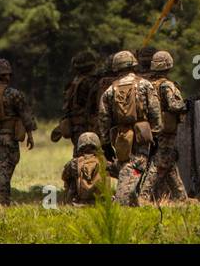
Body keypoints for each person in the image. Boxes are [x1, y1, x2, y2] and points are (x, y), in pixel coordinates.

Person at [97, 49, 161, 205]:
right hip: (143, 132)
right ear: (133, 64)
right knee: (137, 165)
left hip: (122, 135)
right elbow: (154, 110)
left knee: (127, 164)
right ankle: (122, 199)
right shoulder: (145, 85)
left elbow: (104, 118)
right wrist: (156, 134)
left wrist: (105, 143)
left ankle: (131, 198)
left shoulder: (109, 90)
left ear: (116, 68)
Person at [0, 58, 36, 204]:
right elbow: (26, 115)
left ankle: (2, 199)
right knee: (5, 171)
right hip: (7, 138)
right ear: (5, 75)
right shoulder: (13, 94)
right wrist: (30, 135)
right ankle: (2, 201)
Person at [140, 50, 188, 203]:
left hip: (152, 129)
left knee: (169, 162)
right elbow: (174, 105)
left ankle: (181, 197)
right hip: (166, 130)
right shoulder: (166, 85)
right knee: (159, 164)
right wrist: (186, 105)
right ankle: (143, 196)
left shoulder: (148, 84)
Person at [53, 50, 101, 156]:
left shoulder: (73, 83)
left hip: (76, 128)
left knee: (80, 155)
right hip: (88, 127)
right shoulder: (90, 83)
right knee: (94, 157)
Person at [61, 132, 106, 204]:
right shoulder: (103, 161)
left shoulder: (74, 163)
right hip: (101, 202)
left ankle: (69, 202)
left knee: (70, 179)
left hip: (79, 202)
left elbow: (64, 177)